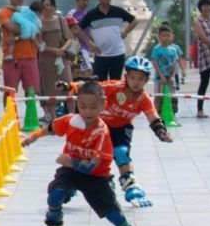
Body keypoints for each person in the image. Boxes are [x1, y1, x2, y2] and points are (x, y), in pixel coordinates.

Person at [20, 80, 157, 226]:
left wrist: (71, 161)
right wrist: (33, 137)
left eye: (93, 107)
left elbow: (91, 166)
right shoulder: (71, 120)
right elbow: (51, 128)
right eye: (83, 106)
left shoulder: (101, 132)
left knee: (114, 214)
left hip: (96, 178)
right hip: (70, 172)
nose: (87, 112)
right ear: (77, 105)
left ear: (103, 106)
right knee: (55, 194)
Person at [59, 56, 174, 207]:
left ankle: (130, 184)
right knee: (85, 155)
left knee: (120, 152)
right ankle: (71, 183)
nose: (136, 82)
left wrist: (161, 131)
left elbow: (152, 116)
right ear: (126, 77)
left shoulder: (143, 99)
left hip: (121, 129)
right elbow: (92, 87)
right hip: (99, 127)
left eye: (140, 79)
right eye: (133, 78)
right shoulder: (115, 87)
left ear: (147, 80)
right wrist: (70, 86)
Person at [80, 0, 138, 81]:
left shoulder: (118, 11)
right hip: (101, 55)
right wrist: (90, 44)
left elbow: (134, 21)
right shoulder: (91, 14)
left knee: (115, 83)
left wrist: (125, 32)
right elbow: (79, 29)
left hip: (118, 53)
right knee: (99, 83)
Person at [0, 0, 41, 99]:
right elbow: (13, 29)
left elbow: (38, 29)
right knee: (9, 92)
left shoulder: (28, 11)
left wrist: (29, 29)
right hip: (11, 58)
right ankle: (9, 116)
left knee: (31, 92)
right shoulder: (4, 12)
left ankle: (30, 116)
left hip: (31, 56)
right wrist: (29, 28)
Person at [37, 0, 74, 123]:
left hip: (62, 59)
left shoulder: (60, 20)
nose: (47, 8)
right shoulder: (38, 22)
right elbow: (38, 43)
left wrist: (62, 49)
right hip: (46, 60)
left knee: (68, 87)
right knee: (49, 88)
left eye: (50, 5)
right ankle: (54, 119)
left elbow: (69, 38)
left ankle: (72, 116)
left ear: (54, 6)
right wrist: (52, 50)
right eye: (45, 5)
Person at [193, 0, 210, 118]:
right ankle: (200, 110)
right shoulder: (198, 21)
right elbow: (203, 38)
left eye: (208, 5)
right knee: (204, 82)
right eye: (204, 5)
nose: (206, 8)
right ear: (200, 8)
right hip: (206, 55)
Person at [150, 25, 186, 115]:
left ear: (171, 36)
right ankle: (156, 115)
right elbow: (155, 62)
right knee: (158, 96)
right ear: (159, 36)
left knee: (170, 96)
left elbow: (175, 63)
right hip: (159, 78)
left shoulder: (173, 50)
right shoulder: (157, 49)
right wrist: (161, 75)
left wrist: (173, 76)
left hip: (170, 78)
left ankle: (169, 114)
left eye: (168, 35)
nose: (166, 37)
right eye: (163, 35)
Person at [67, 0, 94, 78]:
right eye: (83, 0)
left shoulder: (86, 14)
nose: (85, 2)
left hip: (86, 48)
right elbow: (68, 31)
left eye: (87, 0)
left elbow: (88, 32)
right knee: (87, 71)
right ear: (77, 0)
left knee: (81, 72)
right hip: (77, 48)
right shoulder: (72, 14)